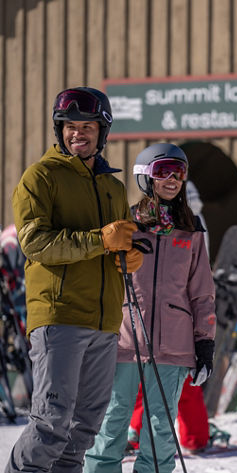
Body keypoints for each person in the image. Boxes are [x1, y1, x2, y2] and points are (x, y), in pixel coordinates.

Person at [5, 87, 143, 473]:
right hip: (59, 315)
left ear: (103, 131)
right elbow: (34, 242)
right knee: (51, 424)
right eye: (70, 126)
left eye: (87, 126)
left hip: (103, 321)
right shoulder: (41, 177)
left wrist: (125, 258)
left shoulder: (112, 187)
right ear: (58, 129)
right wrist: (100, 240)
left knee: (84, 430)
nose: (77, 133)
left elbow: (114, 247)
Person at [83, 143, 216, 473]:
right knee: (112, 421)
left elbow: (202, 293)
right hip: (124, 339)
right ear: (145, 177)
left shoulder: (191, 229)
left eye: (179, 173)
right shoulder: (125, 224)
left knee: (160, 429)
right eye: (163, 172)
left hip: (174, 344)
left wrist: (205, 343)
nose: (172, 179)